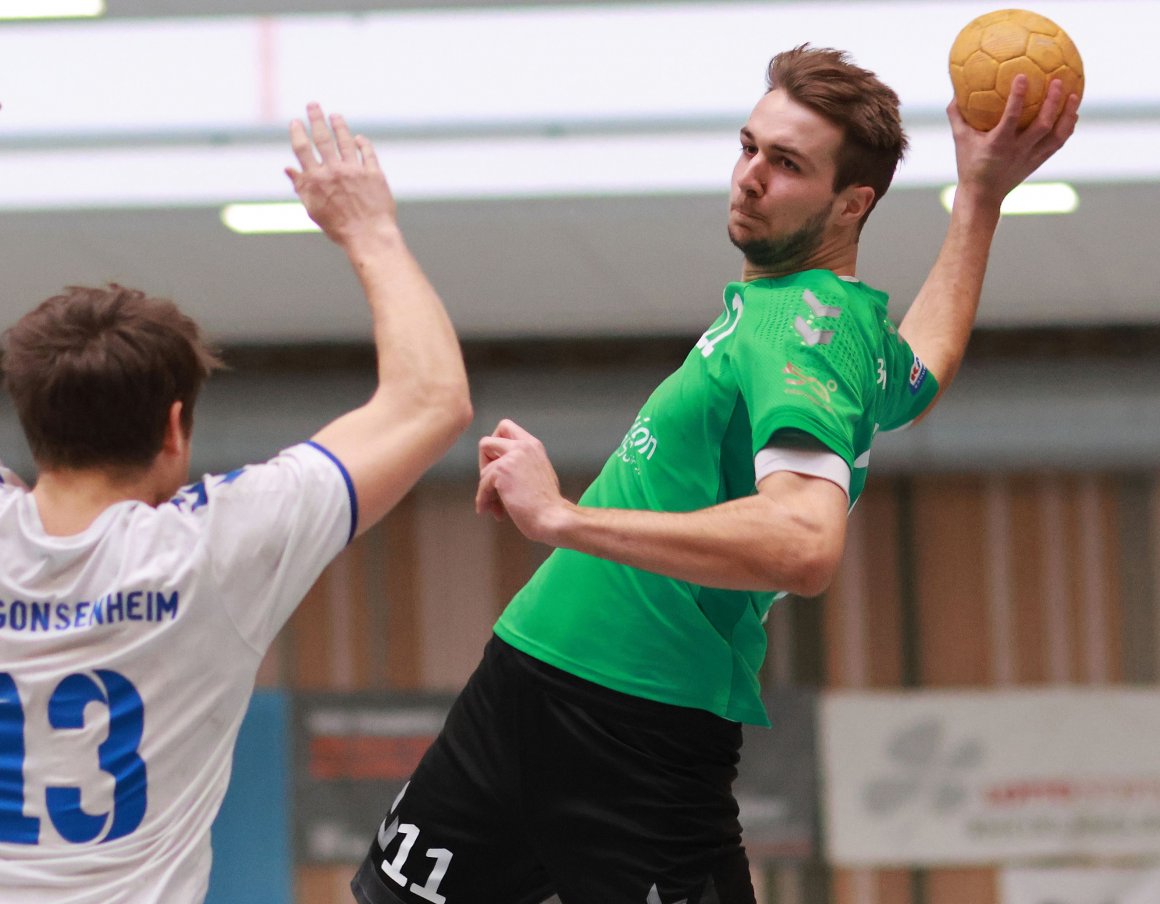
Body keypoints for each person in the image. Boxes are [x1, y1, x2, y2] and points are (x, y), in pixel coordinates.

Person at [350, 46, 1079, 904]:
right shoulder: (815, 323)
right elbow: (918, 370)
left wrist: (560, 519)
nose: (749, 177)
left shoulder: (802, 333)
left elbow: (804, 542)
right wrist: (982, 202)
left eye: (787, 164)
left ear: (854, 203)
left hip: (635, 727)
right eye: (749, 148)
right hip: (524, 677)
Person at [0, 105, 471, 903]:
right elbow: (430, 402)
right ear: (175, 429)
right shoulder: (214, 549)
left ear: (31, 421)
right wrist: (370, 230)